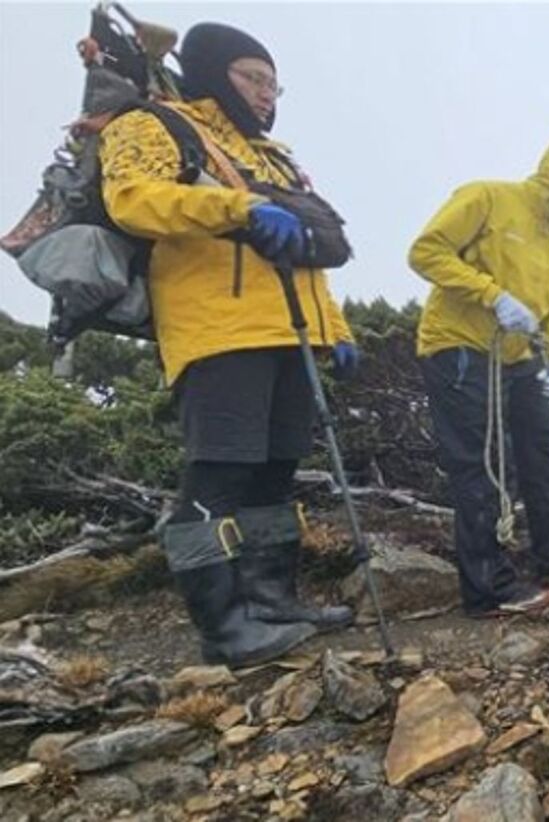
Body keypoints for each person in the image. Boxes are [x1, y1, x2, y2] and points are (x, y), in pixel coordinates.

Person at [99, 22, 358, 666]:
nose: (267, 95)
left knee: (276, 471)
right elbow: (131, 199)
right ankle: (223, 626)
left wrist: (339, 329)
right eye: (254, 78)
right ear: (214, 70)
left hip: (290, 331)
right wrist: (236, 211)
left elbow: (303, 255)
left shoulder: (275, 155)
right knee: (220, 470)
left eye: (274, 83)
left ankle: (272, 599)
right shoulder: (158, 123)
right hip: (216, 327)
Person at [408, 136, 549, 617]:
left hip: (520, 357)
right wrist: (492, 294)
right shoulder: (488, 198)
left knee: (546, 448)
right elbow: (426, 252)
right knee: (483, 463)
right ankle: (488, 590)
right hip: (460, 344)